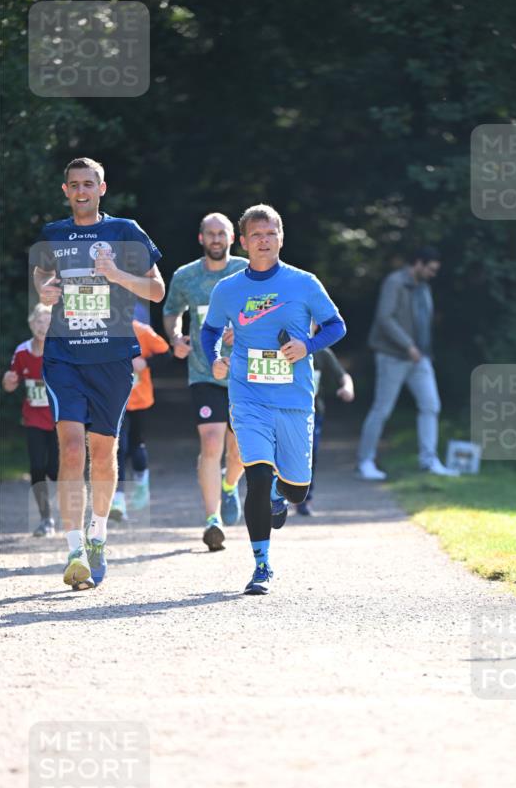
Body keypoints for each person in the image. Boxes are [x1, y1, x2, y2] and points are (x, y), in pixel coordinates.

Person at [32, 156, 165, 589]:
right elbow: (41, 272)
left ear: (102, 188)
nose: (82, 191)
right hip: (64, 355)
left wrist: (115, 273)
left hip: (110, 358)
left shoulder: (125, 231)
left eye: (89, 183)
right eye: (75, 185)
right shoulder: (54, 234)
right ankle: (73, 550)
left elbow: (157, 290)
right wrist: (44, 289)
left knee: (103, 452)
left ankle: (98, 537)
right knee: (71, 447)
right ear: (66, 190)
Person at [200, 203, 346, 595]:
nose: (264, 241)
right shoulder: (228, 289)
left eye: (271, 233)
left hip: (295, 399)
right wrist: (214, 358)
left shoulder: (304, 283)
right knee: (258, 476)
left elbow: (337, 325)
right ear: (243, 242)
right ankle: (261, 565)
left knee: (296, 489)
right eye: (256, 235)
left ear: (281, 238)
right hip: (248, 397)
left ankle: (286, 494)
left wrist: (308, 345)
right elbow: (210, 330)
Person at [163, 213, 246, 551]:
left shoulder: (245, 270)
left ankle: (229, 485)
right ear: (201, 239)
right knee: (211, 442)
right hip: (204, 370)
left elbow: (266, 309)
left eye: (221, 234)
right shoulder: (186, 276)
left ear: (231, 238)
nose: (215, 239)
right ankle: (213, 519)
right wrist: (176, 337)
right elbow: (171, 310)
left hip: (243, 371)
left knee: (239, 449)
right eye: (210, 234)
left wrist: (241, 325)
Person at [356, 246, 459, 479]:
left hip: (420, 357)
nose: (433, 274)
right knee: (382, 409)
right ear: (418, 264)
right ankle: (365, 462)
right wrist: (407, 345)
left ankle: (429, 461)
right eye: (430, 269)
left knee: (431, 405)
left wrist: (421, 349)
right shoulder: (394, 282)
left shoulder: (424, 287)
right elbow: (384, 318)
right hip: (393, 356)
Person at [2, 303, 59, 536]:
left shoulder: (60, 350)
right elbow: (10, 384)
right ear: (31, 324)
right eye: (38, 321)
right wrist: (8, 381)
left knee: (55, 471)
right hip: (34, 418)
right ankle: (46, 519)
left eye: (47, 322)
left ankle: (71, 512)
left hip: (59, 420)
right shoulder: (22, 351)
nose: (42, 326)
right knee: (36, 467)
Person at [109, 302, 170, 521]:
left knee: (136, 446)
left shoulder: (142, 331)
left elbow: (166, 354)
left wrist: (145, 362)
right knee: (119, 447)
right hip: (114, 401)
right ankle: (117, 500)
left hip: (140, 399)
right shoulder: (103, 332)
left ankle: (142, 481)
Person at [295, 346, 355, 516]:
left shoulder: (322, 352)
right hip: (284, 410)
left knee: (309, 455)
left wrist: (348, 387)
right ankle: (278, 495)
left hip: (312, 412)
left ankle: (304, 499)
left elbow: (343, 375)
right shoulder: (280, 346)